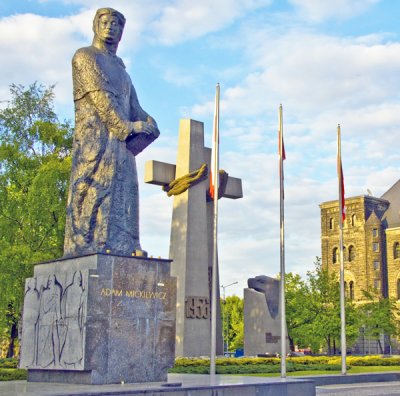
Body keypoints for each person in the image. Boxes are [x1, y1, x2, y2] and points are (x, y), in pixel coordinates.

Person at [64, 8, 159, 257]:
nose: (111, 27)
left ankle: (127, 245)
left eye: (116, 24)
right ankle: (88, 243)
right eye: (105, 22)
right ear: (96, 25)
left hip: (121, 145)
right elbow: (101, 99)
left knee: (125, 191)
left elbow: (133, 106)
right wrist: (127, 128)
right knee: (94, 188)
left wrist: (148, 122)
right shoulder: (85, 57)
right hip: (95, 140)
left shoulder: (122, 70)